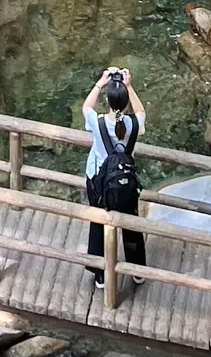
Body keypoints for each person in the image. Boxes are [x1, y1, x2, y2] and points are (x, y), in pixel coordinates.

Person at [82, 66, 146, 285]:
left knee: (98, 224)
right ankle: (137, 271)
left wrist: (101, 82)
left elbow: (86, 106)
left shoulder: (97, 122)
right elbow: (141, 113)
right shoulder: (133, 125)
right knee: (131, 225)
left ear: (108, 100)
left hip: (99, 182)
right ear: (126, 100)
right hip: (125, 182)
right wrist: (129, 86)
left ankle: (101, 275)